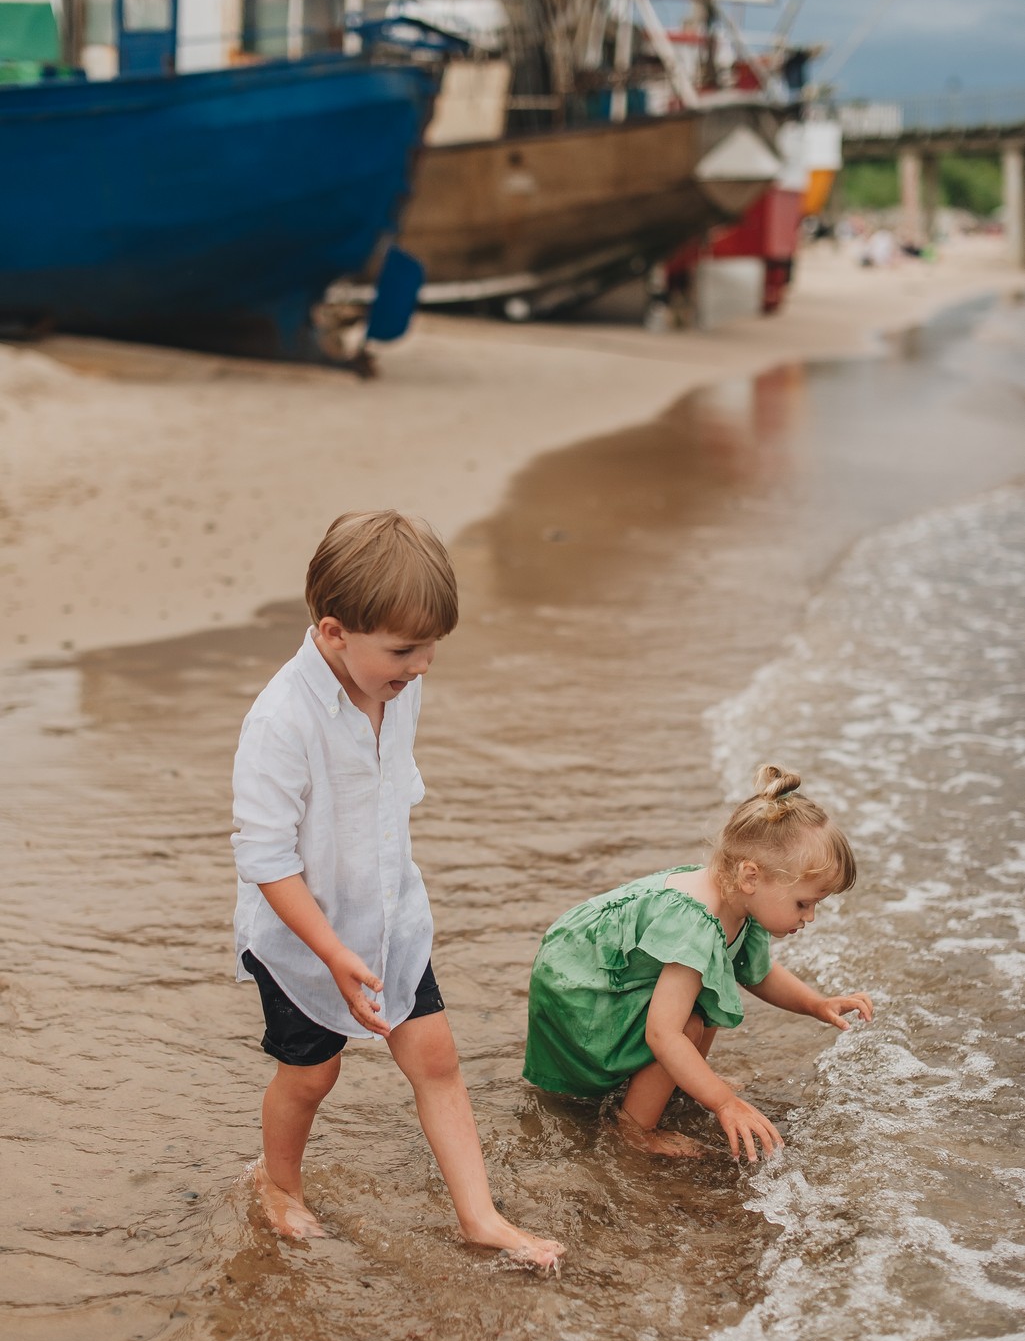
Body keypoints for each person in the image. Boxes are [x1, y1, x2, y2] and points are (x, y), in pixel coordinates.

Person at [232, 510, 564, 1268]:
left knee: (436, 1059)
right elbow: (267, 860)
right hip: (301, 936)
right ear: (333, 633)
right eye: (405, 650)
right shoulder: (281, 721)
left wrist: (383, 922)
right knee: (311, 1073)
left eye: (431, 647)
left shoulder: (392, 681)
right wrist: (331, 952)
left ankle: (480, 1217)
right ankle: (278, 1184)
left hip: (387, 916)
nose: (422, 667)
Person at [523, 765, 873, 1163]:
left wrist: (816, 1004)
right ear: (751, 876)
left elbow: (758, 973)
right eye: (803, 903)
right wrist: (725, 1103)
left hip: (602, 973)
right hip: (580, 990)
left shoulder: (740, 900)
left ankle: (680, 1080)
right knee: (684, 1026)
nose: (809, 917)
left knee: (705, 1001)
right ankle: (634, 1130)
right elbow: (662, 1034)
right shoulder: (696, 922)